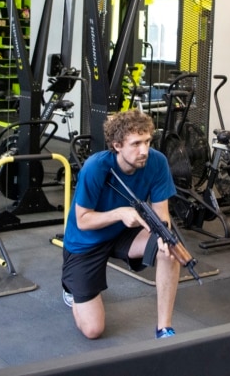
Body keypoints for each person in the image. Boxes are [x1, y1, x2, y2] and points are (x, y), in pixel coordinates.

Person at [61, 109, 181, 340]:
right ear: (117, 145)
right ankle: (71, 286)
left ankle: (164, 328)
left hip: (124, 233)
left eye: (147, 141)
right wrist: (119, 213)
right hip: (85, 241)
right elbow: (82, 220)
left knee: (169, 251)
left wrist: (165, 238)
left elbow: (161, 215)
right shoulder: (95, 167)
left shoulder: (157, 162)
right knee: (93, 330)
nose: (144, 150)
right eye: (136, 144)